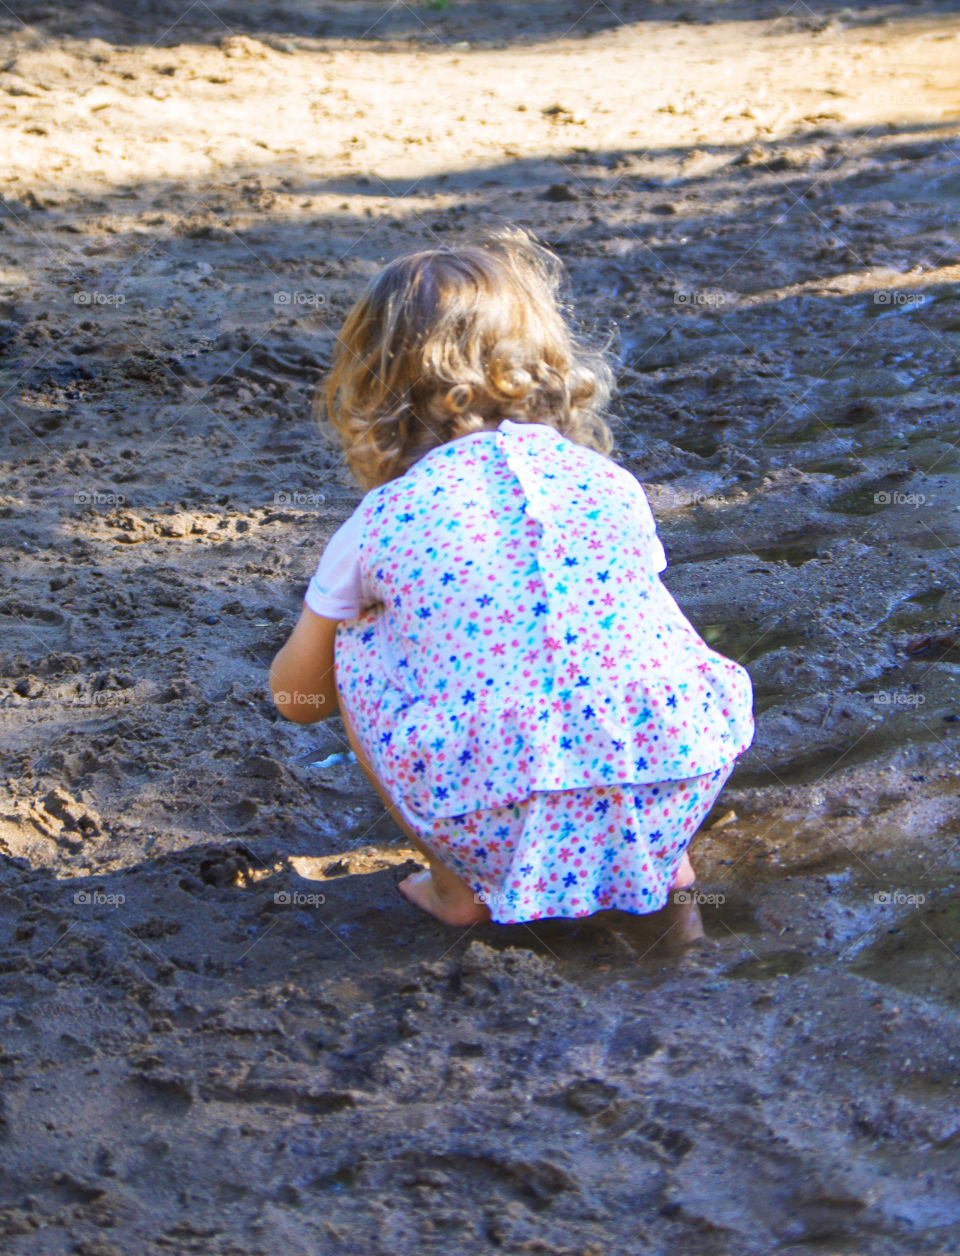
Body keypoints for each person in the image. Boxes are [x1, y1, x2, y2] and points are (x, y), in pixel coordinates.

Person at [269, 229, 754, 927]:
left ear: (379, 384)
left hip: (488, 804)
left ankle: (456, 886)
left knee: (357, 635)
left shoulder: (383, 517)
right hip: (677, 764)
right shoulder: (609, 483)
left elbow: (298, 698)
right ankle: (663, 856)